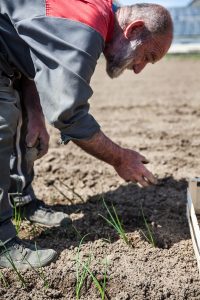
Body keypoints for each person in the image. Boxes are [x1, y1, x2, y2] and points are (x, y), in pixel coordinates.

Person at [0, 0, 173, 269]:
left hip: (8, 57)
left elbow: (36, 51)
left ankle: (22, 201)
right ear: (134, 29)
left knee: (17, 113)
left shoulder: (93, 11)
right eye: (147, 56)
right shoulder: (84, 23)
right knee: (2, 121)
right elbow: (70, 114)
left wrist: (35, 113)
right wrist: (120, 158)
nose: (139, 69)